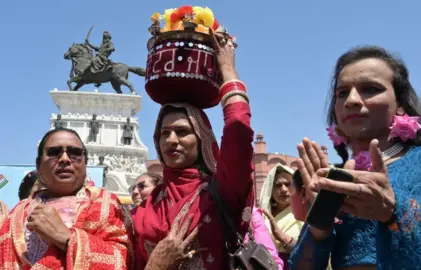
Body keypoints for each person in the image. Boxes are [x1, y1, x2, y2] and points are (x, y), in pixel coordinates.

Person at [290, 45, 421, 269]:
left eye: (370, 89)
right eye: (342, 93)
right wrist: (320, 223)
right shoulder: (334, 180)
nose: (351, 100)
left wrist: (396, 209)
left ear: (399, 104)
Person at [133, 30, 255, 269]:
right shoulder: (146, 207)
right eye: (164, 133)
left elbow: (238, 128)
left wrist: (227, 70)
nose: (171, 140)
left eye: (182, 132)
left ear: (202, 139)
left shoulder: (220, 192)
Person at [0, 128, 133, 269]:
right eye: (54, 152)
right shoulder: (16, 214)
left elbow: (123, 261)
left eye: (75, 153)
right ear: (39, 165)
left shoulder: (106, 204)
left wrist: (66, 238)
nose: (64, 159)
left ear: (85, 163)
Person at [259, 164, 304, 269]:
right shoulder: (261, 216)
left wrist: (283, 238)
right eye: (278, 185)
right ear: (270, 188)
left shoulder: (304, 214)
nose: (283, 189)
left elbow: (313, 250)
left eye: (288, 184)